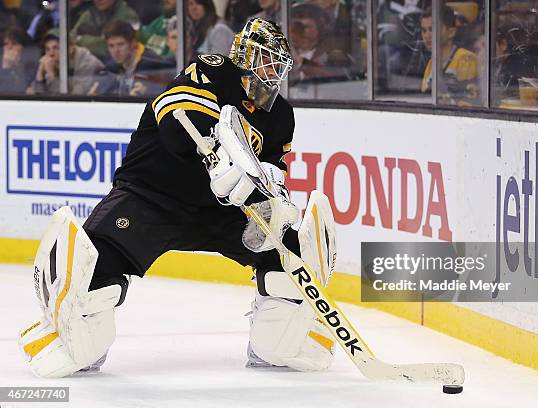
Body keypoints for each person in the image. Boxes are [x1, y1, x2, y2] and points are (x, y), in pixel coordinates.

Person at [18, 18, 337, 379]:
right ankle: (74, 341)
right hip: (153, 195)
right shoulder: (213, 72)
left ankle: (279, 344)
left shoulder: (280, 114)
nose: (273, 71)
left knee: (293, 257)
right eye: (267, 60)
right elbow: (175, 127)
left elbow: (271, 167)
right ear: (246, 54)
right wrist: (216, 157)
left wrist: (271, 197)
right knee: (91, 272)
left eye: (280, 65)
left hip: (224, 210)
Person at [92, 20, 171, 96]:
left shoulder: (152, 63)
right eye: (111, 46)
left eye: (121, 44)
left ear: (133, 43)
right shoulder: (110, 65)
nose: (116, 51)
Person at [420, 6, 479, 105]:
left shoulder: (466, 59)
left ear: (451, 32)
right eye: (424, 30)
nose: (427, 35)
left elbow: (469, 104)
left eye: (432, 29)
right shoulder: (431, 63)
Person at [27, 31, 105, 95]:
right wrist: (40, 76)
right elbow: (38, 99)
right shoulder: (52, 65)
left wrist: (52, 76)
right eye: (47, 49)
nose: (51, 54)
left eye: (56, 48)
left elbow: (73, 98)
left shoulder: (87, 64)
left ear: (70, 48)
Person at [71, 0, 140, 59]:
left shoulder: (127, 15)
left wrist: (80, 40)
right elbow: (71, 38)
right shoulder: (90, 13)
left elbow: (108, 45)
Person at [0, 25, 36, 94]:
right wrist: (6, 67)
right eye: (6, 44)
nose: (9, 47)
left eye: (14, 44)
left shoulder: (32, 67)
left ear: (24, 48)